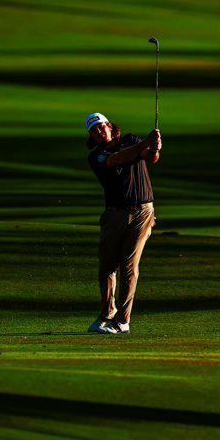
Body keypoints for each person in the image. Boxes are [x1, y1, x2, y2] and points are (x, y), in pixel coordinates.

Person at [84, 112, 161, 334]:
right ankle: (106, 313)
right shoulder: (96, 156)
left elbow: (149, 156)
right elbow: (117, 159)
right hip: (114, 214)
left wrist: (154, 147)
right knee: (107, 266)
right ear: (91, 136)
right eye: (94, 130)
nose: (99, 131)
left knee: (128, 265)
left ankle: (122, 320)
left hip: (142, 212)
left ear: (110, 126)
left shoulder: (130, 140)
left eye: (101, 126)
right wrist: (147, 143)